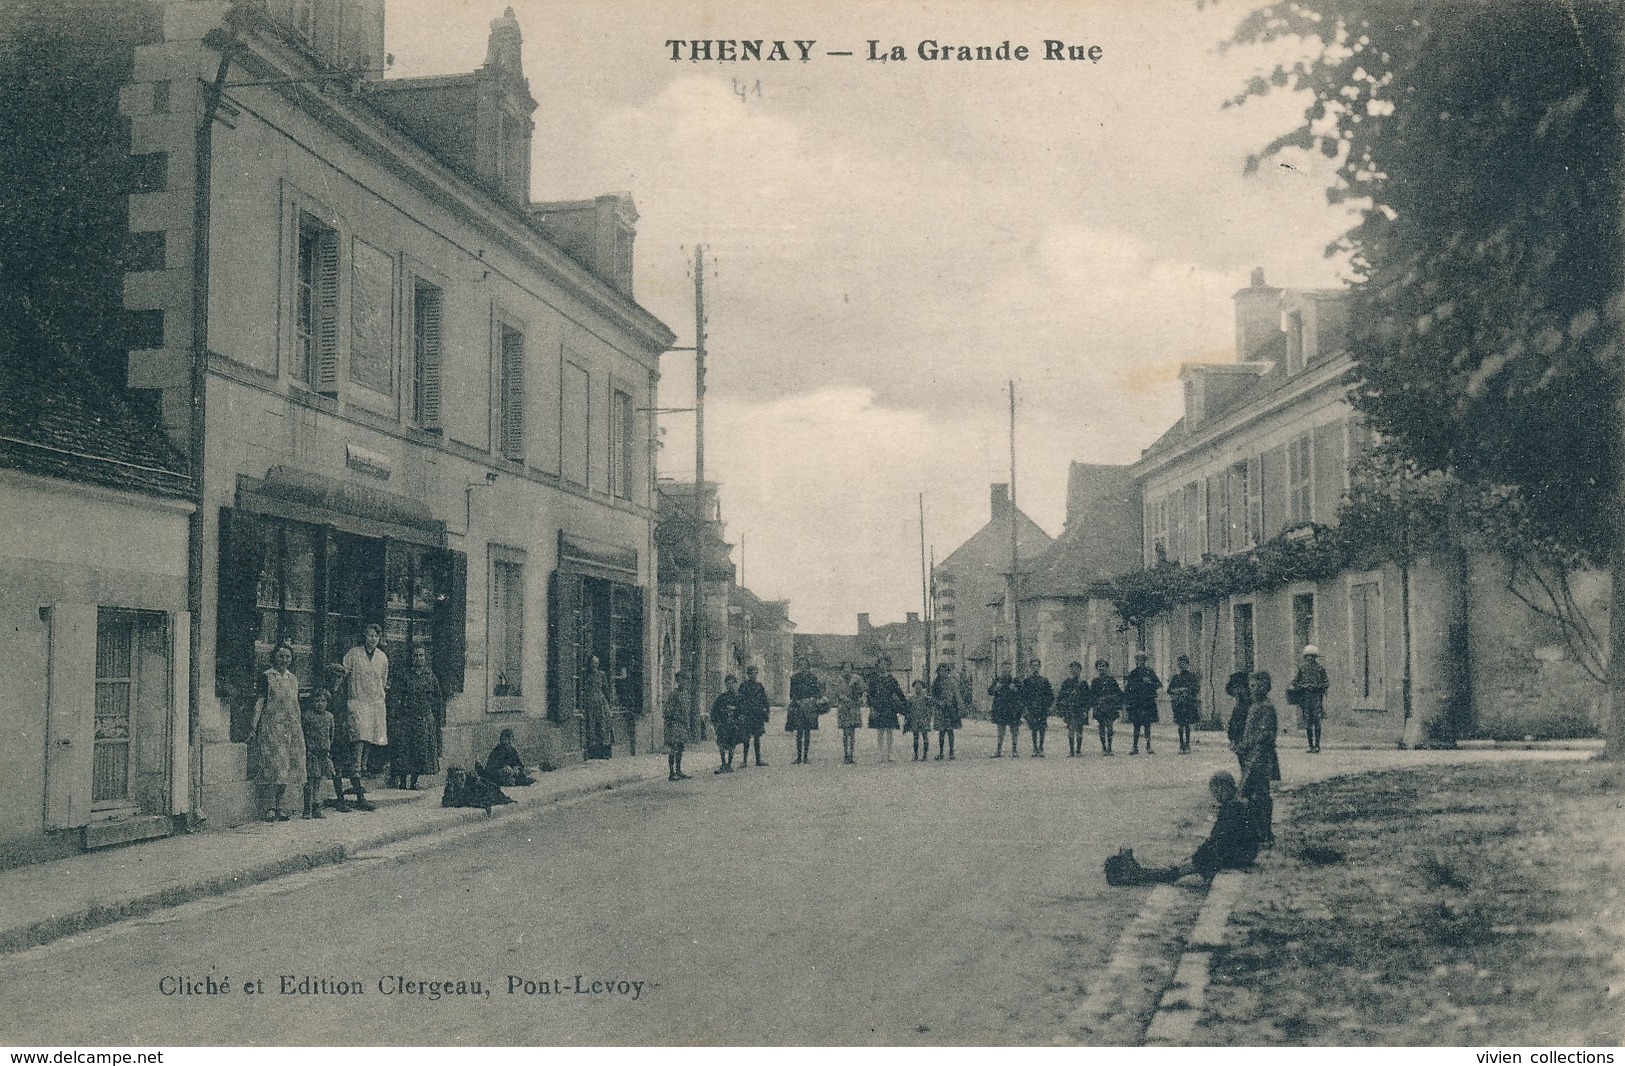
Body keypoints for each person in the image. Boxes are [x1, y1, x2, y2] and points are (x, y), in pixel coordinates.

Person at [1105, 771, 1260, 885]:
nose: (1214, 796)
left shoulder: (1231, 808)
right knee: (1181, 867)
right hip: (1244, 852)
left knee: (1175, 873)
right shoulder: (1238, 803)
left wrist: (1197, 857)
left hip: (1236, 855)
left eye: (1215, 791)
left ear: (1221, 788)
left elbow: (1219, 840)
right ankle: (1141, 872)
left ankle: (1138, 875)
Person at [251, 643, 307, 822]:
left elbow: (295, 704)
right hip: (272, 727)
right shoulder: (267, 677)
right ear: (274, 657)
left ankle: (281, 806)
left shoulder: (294, 679)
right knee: (273, 767)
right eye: (281, 656)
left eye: (287, 657)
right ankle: (269, 807)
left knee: (288, 768)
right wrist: (254, 724)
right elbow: (260, 701)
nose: (284, 660)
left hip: (291, 728)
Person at [1236, 671, 1281, 847]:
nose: (1254, 689)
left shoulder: (1266, 707)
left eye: (1259, 686)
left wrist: (1246, 744)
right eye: (1252, 685)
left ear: (1266, 688)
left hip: (1261, 756)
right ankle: (1257, 832)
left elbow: (1265, 734)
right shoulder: (1255, 706)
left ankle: (1265, 834)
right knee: (1253, 794)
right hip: (1252, 754)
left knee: (1260, 794)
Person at [391, 646, 443, 790]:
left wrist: (433, 716)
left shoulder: (430, 676)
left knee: (420, 751)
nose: (418, 658)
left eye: (421, 655)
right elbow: (397, 695)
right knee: (405, 749)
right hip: (407, 718)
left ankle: (414, 781)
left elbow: (437, 698)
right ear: (411, 658)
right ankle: (402, 780)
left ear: (425, 658)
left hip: (424, 718)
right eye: (415, 655)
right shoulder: (405, 675)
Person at [342, 624, 390, 781]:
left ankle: (363, 766)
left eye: (376, 636)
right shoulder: (354, 654)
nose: (373, 639)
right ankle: (355, 766)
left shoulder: (382, 657)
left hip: (374, 701)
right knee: (359, 735)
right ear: (365, 636)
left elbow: (383, 680)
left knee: (370, 736)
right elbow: (344, 673)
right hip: (357, 699)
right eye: (370, 636)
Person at [301, 688, 336, 820]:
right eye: (317, 701)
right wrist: (308, 749)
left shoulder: (329, 717)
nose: (320, 704)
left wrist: (326, 749)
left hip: (323, 753)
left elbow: (331, 735)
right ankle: (306, 809)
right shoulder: (307, 716)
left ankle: (317, 807)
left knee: (319, 781)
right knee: (309, 781)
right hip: (311, 753)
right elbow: (303, 734)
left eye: (323, 701)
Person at [1288, 645, 1331, 753]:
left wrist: (1316, 686)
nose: (1310, 659)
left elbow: (1326, 683)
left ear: (1315, 657)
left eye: (1312, 656)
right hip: (1305, 699)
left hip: (1316, 698)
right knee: (1307, 723)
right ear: (1305, 657)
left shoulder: (1320, 669)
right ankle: (1310, 745)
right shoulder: (1302, 669)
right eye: (1308, 656)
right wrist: (1303, 686)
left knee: (1317, 722)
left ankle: (1317, 745)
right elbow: (1295, 682)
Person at [786, 658, 825, 764]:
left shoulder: (813, 678)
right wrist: (797, 701)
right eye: (801, 665)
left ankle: (806, 757)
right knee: (799, 732)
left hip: (809, 707)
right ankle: (799, 757)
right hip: (799, 706)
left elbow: (817, 692)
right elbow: (792, 693)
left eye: (805, 665)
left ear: (808, 666)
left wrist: (812, 699)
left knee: (807, 732)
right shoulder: (795, 678)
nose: (803, 667)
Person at [866, 657, 905, 762]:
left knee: (889, 730)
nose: (883, 666)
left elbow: (899, 692)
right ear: (878, 665)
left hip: (889, 706)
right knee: (880, 730)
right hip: (878, 706)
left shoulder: (891, 679)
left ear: (888, 666)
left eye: (885, 664)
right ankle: (880, 754)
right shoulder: (874, 679)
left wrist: (905, 702)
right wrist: (872, 706)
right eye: (881, 664)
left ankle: (889, 754)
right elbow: (870, 694)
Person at [1124, 652, 1162, 755]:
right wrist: (1128, 702)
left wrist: (1150, 682)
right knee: (1136, 726)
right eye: (1138, 660)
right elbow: (1128, 689)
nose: (1140, 662)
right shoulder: (1133, 673)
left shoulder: (1150, 672)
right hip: (1136, 703)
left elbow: (1158, 685)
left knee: (1147, 726)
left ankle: (1148, 746)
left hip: (1147, 702)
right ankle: (1135, 746)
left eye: (1142, 660)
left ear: (1145, 661)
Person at [1056, 661, 1093, 757]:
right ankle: (1071, 750)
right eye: (1072, 669)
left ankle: (1079, 750)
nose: (1074, 671)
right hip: (1069, 709)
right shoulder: (1066, 682)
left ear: (1080, 670)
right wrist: (1062, 708)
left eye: (1077, 669)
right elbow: (1061, 696)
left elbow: (1088, 698)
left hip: (1080, 709)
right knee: (1071, 730)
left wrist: (1086, 710)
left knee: (1080, 730)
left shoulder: (1083, 683)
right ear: (1070, 670)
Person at [736, 664, 770, 767]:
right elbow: (739, 701)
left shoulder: (759, 686)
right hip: (747, 715)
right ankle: (745, 760)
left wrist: (767, 711)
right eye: (751, 673)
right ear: (748, 674)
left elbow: (765, 700)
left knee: (757, 738)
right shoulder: (743, 686)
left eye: (755, 673)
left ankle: (758, 760)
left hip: (757, 715)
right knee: (746, 738)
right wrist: (740, 713)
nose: (753, 675)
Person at [1168, 655, 1202, 755]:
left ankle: (1187, 744)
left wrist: (1187, 690)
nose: (1181, 666)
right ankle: (1181, 744)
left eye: (1183, 663)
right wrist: (1178, 690)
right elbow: (1169, 690)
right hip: (1178, 703)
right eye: (1180, 664)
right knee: (1180, 725)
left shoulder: (1191, 677)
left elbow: (1196, 689)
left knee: (1187, 725)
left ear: (1187, 664)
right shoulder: (1176, 677)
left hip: (1188, 703)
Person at [1020, 659, 1055, 757]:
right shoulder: (1027, 681)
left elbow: (1050, 695)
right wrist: (1026, 707)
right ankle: (1035, 748)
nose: (1035, 667)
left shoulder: (1044, 680)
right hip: (1031, 708)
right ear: (1030, 667)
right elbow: (1023, 695)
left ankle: (1041, 747)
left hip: (1042, 708)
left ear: (1039, 667)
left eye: (1037, 665)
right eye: (1033, 666)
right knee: (1034, 728)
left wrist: (1048, 706)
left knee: (1042, 728)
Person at [582, 655, 614, 760]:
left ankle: (604, 751)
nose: (594, 665)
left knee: (603, 725)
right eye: (593, 663)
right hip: (589, 702)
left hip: (600, 702)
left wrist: (608, 704)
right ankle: (592, 751)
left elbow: (606, 689)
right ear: (589, 664)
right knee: (590, 726)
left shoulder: (601, 675)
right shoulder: (586, 675)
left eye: (596, 663)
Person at [988, 662, 1022, 757]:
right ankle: (998, 750)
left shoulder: (1015, 680)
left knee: (1014, 729)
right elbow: (990, 691)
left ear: (1010, 670)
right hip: (1001, 708)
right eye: (1004, 668)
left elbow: (1022, 692)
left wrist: (1015, 689)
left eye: (1008, 668)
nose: (1006, 670)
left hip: (1013, 708)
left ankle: (1014, 750)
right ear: (1001, 669)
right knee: (1000, 730)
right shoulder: (997, 680)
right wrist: (996, 688)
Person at [664, 671, 693, 781]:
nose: (683, 682)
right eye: (681, 680)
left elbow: (687, 710)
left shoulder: (685, 694)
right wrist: (676, 717)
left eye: (685, 680)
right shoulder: (673, 694)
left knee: (680, 747)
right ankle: (672, 772)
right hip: (674, 724)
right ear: (677, 681)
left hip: (682, 725)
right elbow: (668, 711)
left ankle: (679, 770)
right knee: (674, 748)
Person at [711, 673, 742, 774]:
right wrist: (716, 724)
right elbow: (714, 711)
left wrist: (738, 720)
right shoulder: (722, 698)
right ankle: (723, 763)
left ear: (735, 684)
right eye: (728, 684)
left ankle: (729, 764)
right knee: (721, 744)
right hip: (723, 725)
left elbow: (743, 712)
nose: (730, 686)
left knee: (732, 745)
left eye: (732, 683)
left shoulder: (739, 698)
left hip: (733, 725)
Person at [1089, 660, 1122, 755]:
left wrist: (1114, 701)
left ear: (1107, 668)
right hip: (1100, 707)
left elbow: (1118, 693)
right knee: (1101, 728)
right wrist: (1095, 704)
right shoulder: (1095, 681)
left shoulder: (1111, 680)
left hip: (1110, 707)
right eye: (1099, 666)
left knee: (1110, 727)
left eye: (1103, 666)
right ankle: (1104, 747)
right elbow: (1091, 695)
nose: (1101, 668)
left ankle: (1110, 748)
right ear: (1097, 669)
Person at [932, 662, 962, 760]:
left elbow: (957, 695)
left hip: (950, 709)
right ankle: (941, 753)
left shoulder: (952, 683)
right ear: (939, 672)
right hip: (940, 709)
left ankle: (951, 752)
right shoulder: (936, 683)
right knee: (941, 731)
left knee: (950, 730)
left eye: (945, 671)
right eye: (941, 671)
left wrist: (960, 706)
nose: (943, 673)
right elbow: (933, 696)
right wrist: (938, 702)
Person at [837, 663, 866, 764]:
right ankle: (846, 754)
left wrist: (860, 698)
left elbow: (863, 690)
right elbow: (837, 693)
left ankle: (851, 755)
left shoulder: (857, 678)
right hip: (844, 707)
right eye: (845, 667)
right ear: (842, 669)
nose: (847, 669)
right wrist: (845, 699)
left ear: (852, 668)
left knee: (852, 732)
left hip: (854, 707)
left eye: (849, 667)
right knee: (845, 732)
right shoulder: (839, 679)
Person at [1224, 669, 1252, 774]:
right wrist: (1232, 738)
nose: (1235, 693)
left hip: (1247, 739)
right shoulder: (1239, 704)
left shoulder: (1249, 705)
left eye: (1236, 689)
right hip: (1239, 740)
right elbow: (1234, 722)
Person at [904, 679, 934, 761]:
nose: (918, 688)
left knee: (925, 737)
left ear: (922, 687)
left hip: (924, 720)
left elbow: (931, 710)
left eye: (919, 686)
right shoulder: (911, 699)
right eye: (916, 687)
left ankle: (925, 755)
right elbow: (908, 710)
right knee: (915, 738)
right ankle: (916, 755)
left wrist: (928, 717)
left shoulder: (926, 699)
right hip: (915, 720)